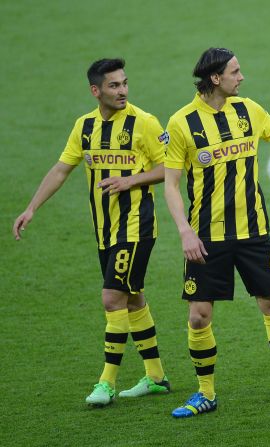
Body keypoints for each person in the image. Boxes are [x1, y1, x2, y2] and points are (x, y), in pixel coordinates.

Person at [164, 47, 270, 418]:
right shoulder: (181, 123)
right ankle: (205, 392)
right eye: (235, 72)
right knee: (199, 315)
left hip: (253, 232)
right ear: (215, 78)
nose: (241, 78)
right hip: (206, 236)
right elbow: (171, 185)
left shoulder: (249, 111)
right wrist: (184, 231)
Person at [13, 58, 170, 407]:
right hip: (105, 230)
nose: (123, 90)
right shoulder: (83, 127)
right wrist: (31, 208)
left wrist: (129, 180)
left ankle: (107, 382)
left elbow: (169, 168)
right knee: (132, 298)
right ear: (95, 90)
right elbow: (61, 169)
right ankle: (156, 376)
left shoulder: (144, 122)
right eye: (114, 85)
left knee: (112, 298)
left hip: (136, 227)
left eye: (125, 83)